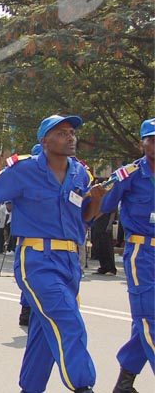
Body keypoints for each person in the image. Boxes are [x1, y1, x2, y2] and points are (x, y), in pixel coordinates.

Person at [0, 114, 106, 393]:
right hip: (37, 260)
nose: (70, 137)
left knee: (44, 328)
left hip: (70, 261)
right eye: (61, 133)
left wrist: (95, 201)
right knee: (67, 320)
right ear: (44, 140)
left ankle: (30, 387)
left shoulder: (81, 173)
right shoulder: (23, 169)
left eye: (72, 132)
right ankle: (83, 386)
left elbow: (84, 219)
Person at [99, 117, 155, 393]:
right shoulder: (129, 174)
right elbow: (104, 202)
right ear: (143, 143)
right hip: (142, 253)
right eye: (153, 139)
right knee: (150, 319)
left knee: (145, 321)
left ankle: (125, 381)